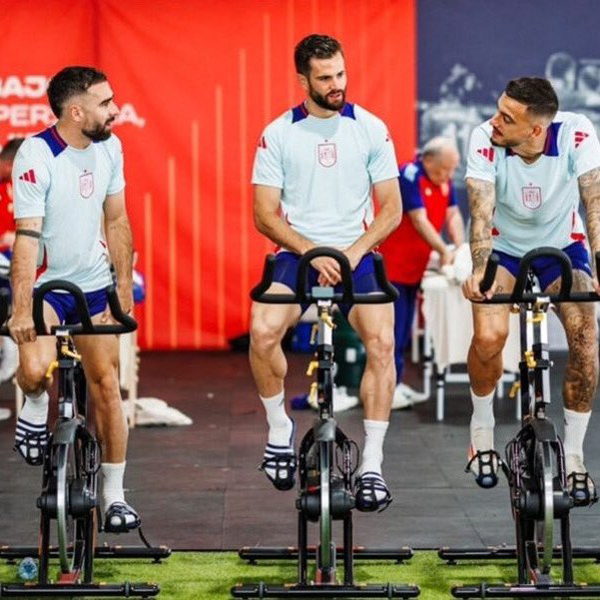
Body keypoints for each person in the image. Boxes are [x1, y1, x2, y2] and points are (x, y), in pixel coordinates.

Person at [249, 34, 401, 512]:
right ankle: (279, 428)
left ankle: (372, 463)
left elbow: (392, 209)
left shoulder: (370, 128)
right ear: (303, 81)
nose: (337, 84)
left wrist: (352, 253)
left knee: (382, 343)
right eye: (325, 77)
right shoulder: (278, 133)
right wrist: (311, 251)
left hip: (357, 254)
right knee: (262, 332)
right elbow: (264, 214)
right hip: (297, 252)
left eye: (340, 73)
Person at [10, 66, 141, 532]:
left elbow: (117, 220)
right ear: (76, 111)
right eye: (105, 103)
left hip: (94, 284)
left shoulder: (111, 148)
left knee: (106, 386)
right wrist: (21, 309)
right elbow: (27, 238)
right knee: (32, 370)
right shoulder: (37, 154)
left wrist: (122, 289)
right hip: (49, 287)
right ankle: (33, 406)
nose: (115, 110)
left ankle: (114, 496)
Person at [462, 77, 600, 506]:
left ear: (537, 129)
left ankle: (574, 457)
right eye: (498, 109)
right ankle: (481, 432)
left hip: (563, 248)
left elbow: (594, 199)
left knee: (586, 340)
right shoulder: (484, 138)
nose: (495, 120)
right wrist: (480, 270)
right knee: (489, 336)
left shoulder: (577, 132)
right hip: (503, 250)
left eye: (507, 117)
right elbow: (481, 210)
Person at [380, 137, 464, 408]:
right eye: (443, 169)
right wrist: (442, 249)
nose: (447, 175)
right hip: (393, 267)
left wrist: (459, 248)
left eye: (451, 170)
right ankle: (385, 389)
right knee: (392, 330)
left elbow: (452, 214)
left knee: (404, 330)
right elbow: (419, 220)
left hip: (416, 268)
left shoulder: (443, 180)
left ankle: (395, 382)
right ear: (428, 160)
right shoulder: (409, 175)